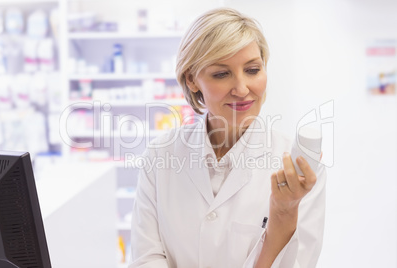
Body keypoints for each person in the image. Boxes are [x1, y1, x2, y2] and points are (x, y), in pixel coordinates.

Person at [129, 7, 326, 268]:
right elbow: (146, 258)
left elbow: (299, 263)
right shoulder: (160, 156)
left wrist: (284, 212)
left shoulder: (296, 170)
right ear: (192, 80)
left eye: (253, 70)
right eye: (221, 74)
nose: (242, 89)